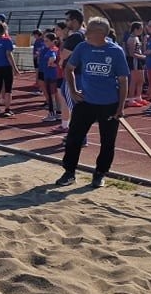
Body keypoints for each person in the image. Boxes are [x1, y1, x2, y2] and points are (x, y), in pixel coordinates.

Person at [55, 16, 130, 188]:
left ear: (100, 33)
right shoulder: (82, 47)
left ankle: (100, 173)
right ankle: (69, 172)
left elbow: (123, 80)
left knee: (108, 141)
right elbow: (69, 68)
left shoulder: (115, 51)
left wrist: (121, 106)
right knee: (74, 138)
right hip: (86, 102)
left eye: (89, 31)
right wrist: (73, 90)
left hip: (109, 104)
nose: (85, 33)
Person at [0, 21, 20, 117]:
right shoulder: (7, 41)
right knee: (8, 88)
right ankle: (7, 109)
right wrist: (15, 68)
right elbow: (9, 55)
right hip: (6, 66)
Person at [123, 21, 148, 107]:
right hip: (134, 60)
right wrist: (143, 57)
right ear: (135, 29)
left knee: (141, 80)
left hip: (139, 60)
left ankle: (138, 97)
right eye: (140, 29)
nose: (142, 30)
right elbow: (131, 53)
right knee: (134, 80)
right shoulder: (131, 38)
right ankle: (130, 99)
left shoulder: (137, 37)